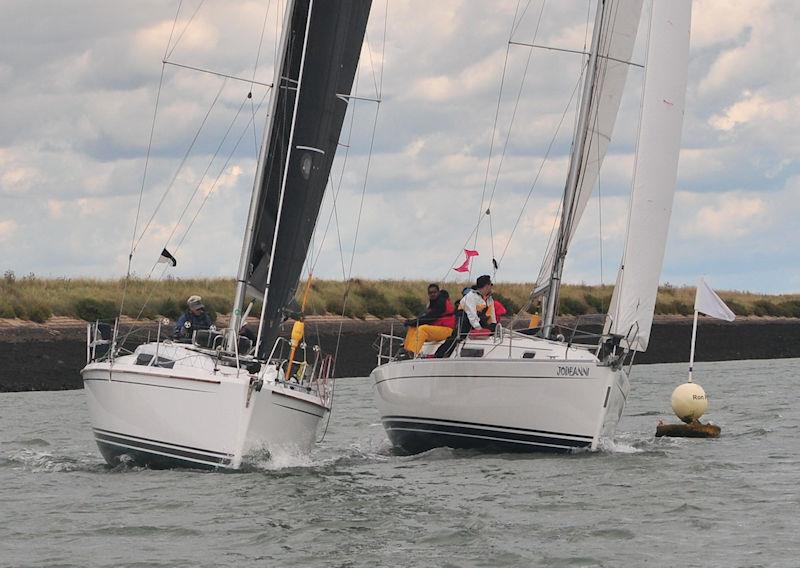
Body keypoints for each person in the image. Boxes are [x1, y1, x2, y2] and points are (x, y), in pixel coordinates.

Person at [434, 275, 496, 358]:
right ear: (486, 286)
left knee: (492, 327)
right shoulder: (470, 296)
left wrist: (494, 326)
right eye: (490, 285)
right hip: (464, 320)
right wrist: (479, 329)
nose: (491, 287)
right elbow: (471, 314)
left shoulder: (489, 298)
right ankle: (440, 354)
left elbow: (492, 314)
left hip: (479, 319)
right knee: (456, 337)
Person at [400, 283, 455, 356]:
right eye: (430, 293)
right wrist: (412, 323)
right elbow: (427, 317)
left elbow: (430, 318)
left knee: (422, 329)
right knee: (413, 327)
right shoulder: (434, 303)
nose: (432, 294)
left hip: (447, 330)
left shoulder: (441, 302)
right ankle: (406, 351)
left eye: (434, 292)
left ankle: (412, 352)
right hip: (438, 329)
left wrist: (412, 322)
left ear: (438, 292)